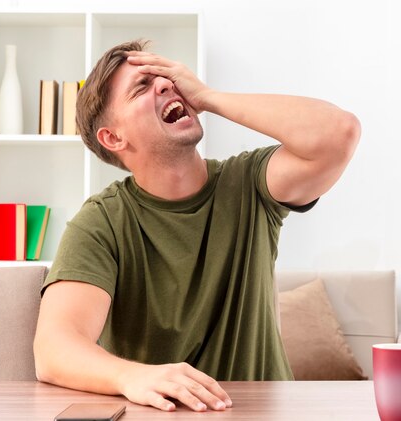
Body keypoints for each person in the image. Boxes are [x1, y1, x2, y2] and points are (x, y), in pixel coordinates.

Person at [33, 39, 360, 412]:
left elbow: (340, 133)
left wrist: (208, 97)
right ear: (113, 137)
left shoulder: (249, 183)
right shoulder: (102, 222)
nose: (166, 85)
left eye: (166, 77)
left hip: (262, 413)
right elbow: (54, 348)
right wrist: (132, 377)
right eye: (142, 86)